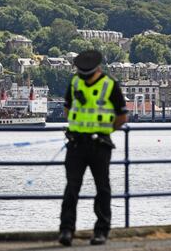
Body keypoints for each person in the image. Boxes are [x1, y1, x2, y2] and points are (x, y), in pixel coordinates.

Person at [59, 50, 127, 246]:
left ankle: (101, 231)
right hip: (76, 144)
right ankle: (66, 230)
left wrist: (104, 131)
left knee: (102, 189)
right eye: (82, 73)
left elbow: (122, 117)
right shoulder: (75, 82)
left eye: (87, 73)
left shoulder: (110, 85)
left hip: (100, 145)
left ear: (98, 69)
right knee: (72, 188)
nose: (84, 77)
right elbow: (67, 109)